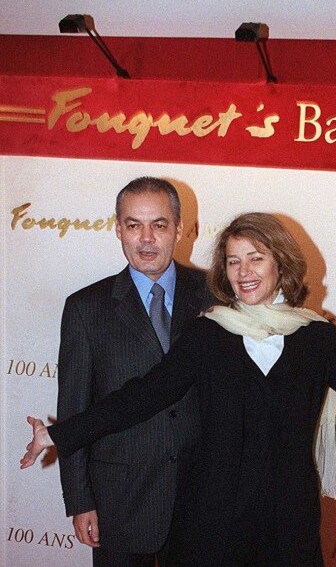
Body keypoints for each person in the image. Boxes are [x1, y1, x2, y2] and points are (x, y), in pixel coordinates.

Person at [22, 212, 336, 567]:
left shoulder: (316, 337)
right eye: (233, 261)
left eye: (256, 258)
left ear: (280, 264)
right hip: (207, 525)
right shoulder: (209, 333)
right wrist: (60, 434)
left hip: (285, 524)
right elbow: (142, 395)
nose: (244, 272)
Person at [53, 177, 213, 566]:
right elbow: (75, 409)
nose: (146, 239)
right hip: (118, 501)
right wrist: (80, 500)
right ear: (117, 228)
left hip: (201, 497)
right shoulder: (85, 308)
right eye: (133, 225)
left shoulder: (215, 295)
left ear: (179, 228)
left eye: (158, 225)